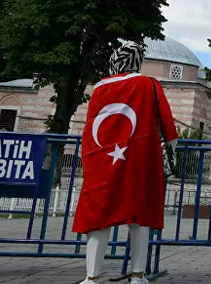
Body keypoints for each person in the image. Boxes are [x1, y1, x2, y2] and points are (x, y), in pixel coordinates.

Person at [73, 41, 178, 284]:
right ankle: (137, 275)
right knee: (138, 216)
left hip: (101, 160)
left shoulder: (99, 87)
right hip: (139, 159)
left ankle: (91, 277)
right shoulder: (147, 83)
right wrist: (171, 148)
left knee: (100, 214)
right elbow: (166, 121)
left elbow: (91, 125)